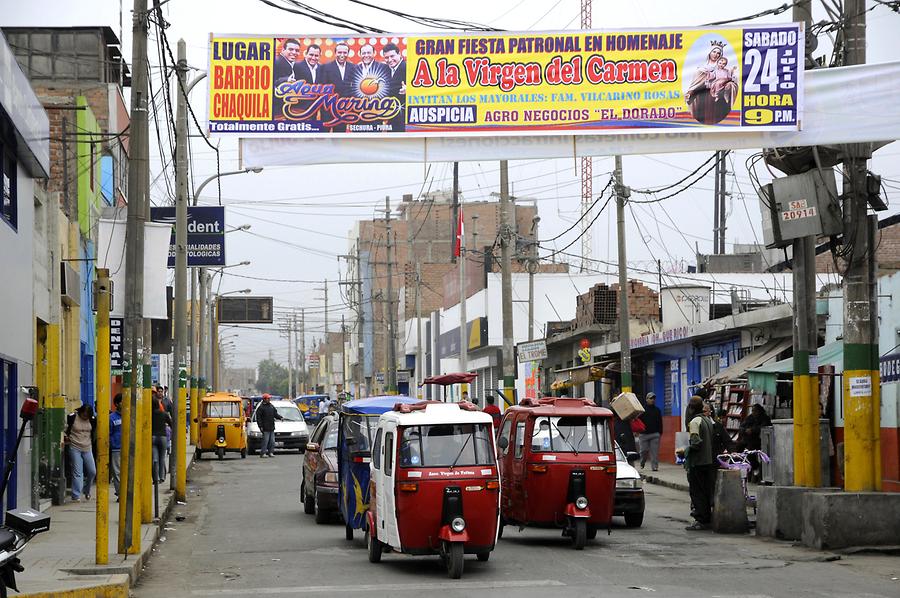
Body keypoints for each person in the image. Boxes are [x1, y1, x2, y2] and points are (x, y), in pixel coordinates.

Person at [679, 395, 717, 530]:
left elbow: (696, 443)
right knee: (706, 491)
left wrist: (685, 451)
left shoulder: (695, 422)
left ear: (690, 408)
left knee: (697, 492)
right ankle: (707, 518)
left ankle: (700, 520)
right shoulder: (707, 420)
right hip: (708, 462)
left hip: (697, 463)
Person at [66, 404, 96, 502]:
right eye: (83, 415)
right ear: (80, 412)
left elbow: (94, 432)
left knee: (92, 471)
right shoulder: (72, 417)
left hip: (87, 447)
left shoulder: (92, 419)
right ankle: (76, 495)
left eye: (87, 415)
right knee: (78, 472)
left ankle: (86, 490)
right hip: (74, 447)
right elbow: (65, 428)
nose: (85, 417)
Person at [273, 38, 302, 118]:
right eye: (291, 49)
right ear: (283, 50)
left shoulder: (290, 63)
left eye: (296, 50)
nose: (294, 52)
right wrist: (286, 80)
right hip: (277, 109)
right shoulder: (277, 62)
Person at [382, 42, 406, 132]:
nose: (390, 60)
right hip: (391, 117)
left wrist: (409, 90)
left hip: (404, 118)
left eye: (392, 56)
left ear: (399, 54)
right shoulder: (386, 69)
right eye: (386, 58)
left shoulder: (407, 67)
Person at [638, 392, 663, 471]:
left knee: (654, 452)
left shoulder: (657, 410)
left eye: (653, 398)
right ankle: (642, 462)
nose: (652, 400)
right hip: (643, 435)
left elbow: (660, 422)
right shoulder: (642, 410)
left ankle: (654, 467)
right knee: (643, 451)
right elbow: (637, 421)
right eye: (650, 398)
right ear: (646, 400)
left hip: (655, 434)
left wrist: (660, 432)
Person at [151, 397, 172, 484]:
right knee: (162, 458)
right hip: (163, 437)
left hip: (153, 437)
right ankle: (162, 477)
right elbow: (171, 424)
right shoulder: (164, 414)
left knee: (154, 459)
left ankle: (155, 478)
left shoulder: (149, 414)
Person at [255, 394, 283, 458]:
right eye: (268, 398)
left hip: (271, 427)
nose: (269, 399)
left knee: (272, 441)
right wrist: (260, 426)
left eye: (269, 398)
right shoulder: (261, 408)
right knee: (265, 441)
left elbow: (275, 414)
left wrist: (280, 417)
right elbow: (258, 419)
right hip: (265, 428)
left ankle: (270, 452)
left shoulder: (271, 406)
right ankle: (263, 453)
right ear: (264, 399)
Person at [110, 394, 123, 498]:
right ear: (117, 404)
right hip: (116, 449)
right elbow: (109, 433)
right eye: (122, 401)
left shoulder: (130, 415)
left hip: (128, 449)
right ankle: (120, 494)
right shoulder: (112, 418)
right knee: (117, 473)